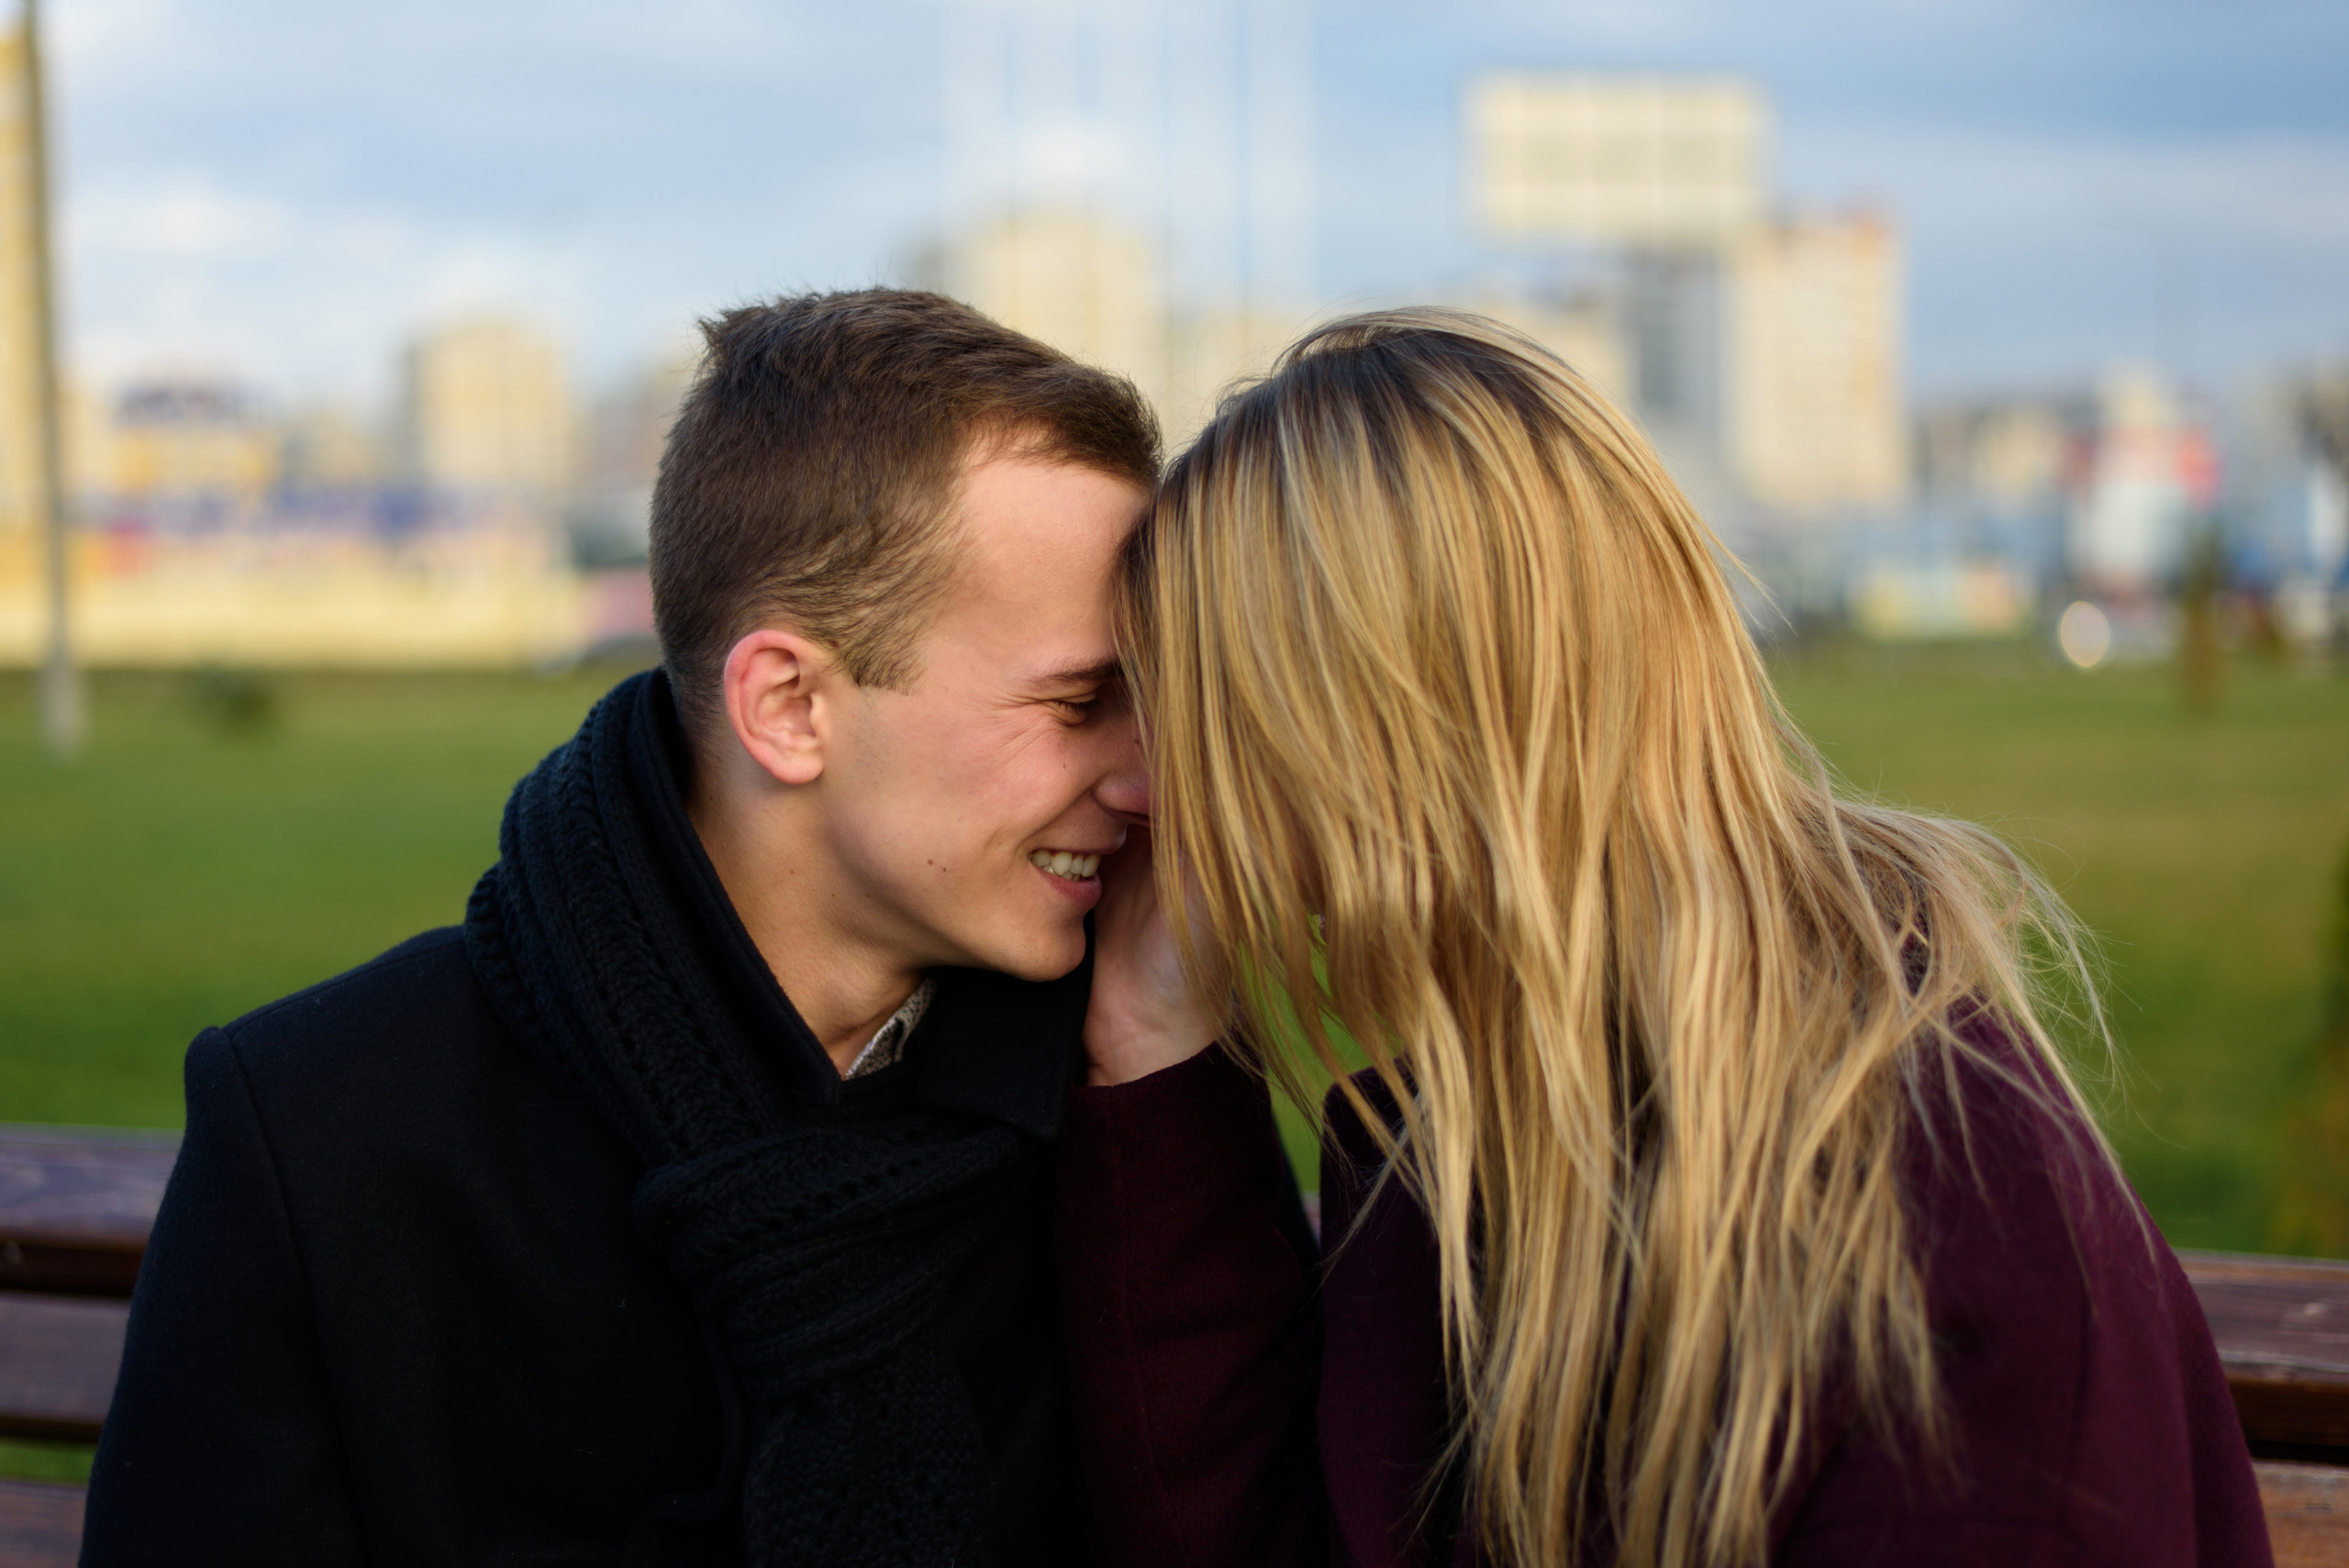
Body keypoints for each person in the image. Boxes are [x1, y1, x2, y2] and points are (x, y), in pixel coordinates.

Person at [1057, 309, 2273, 1567]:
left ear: (1381, 733)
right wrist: (1150, 1030)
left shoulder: (1942, 1250)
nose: (1156, 792)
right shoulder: (1501, 1138)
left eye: (1204, 713)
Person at [83, 288, 1171, 1566]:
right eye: (1078, 699)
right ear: (788, 705)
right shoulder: (329, 1135)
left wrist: (1164, 1070)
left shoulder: (1123, 1092)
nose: (1144, 780)